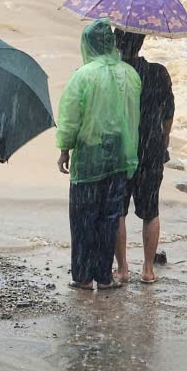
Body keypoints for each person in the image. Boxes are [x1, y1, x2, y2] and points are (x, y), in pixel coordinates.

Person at [56, 20, 140, 291]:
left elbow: (70, 118)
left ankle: (82, 276)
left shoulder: (82, 76)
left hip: (89, 156)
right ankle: (104, 277)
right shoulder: (130, 74)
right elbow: (132, 118)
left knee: (83, 218)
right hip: (119, 155)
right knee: (109, 218)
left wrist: (64, 149)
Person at [113, 28, 175, 285]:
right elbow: (168, 113)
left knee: (118, 210)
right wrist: (164, 139)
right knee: (151, 210)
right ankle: (148, 269)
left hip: (121, 148)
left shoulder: (115, 74)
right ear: (142, 40)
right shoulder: (158, 73)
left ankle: (123, 268)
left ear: (116, 42)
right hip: (151, 148)